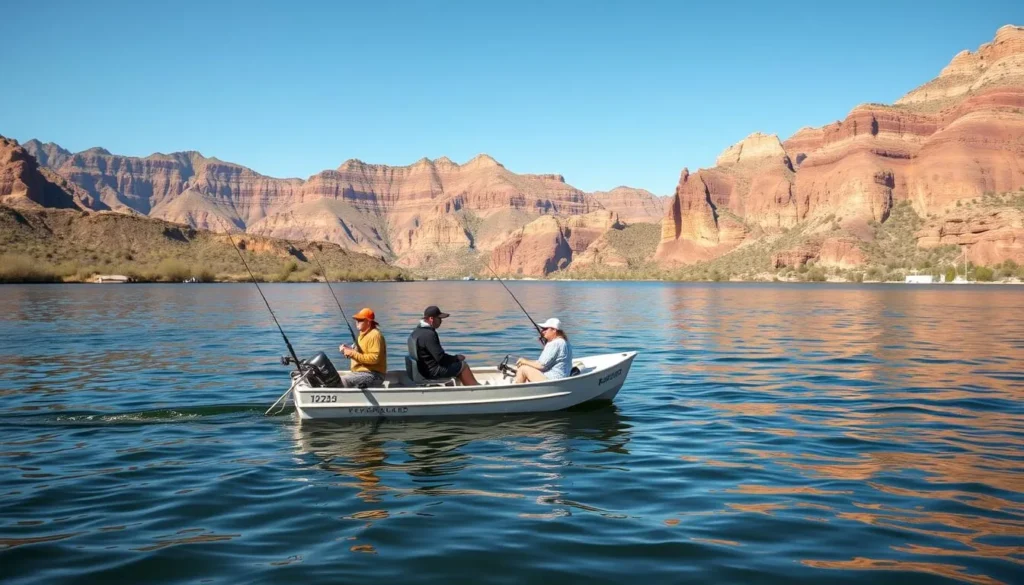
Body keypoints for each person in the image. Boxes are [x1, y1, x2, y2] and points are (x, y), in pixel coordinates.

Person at [407, 305, 479, 386]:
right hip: (432, 371)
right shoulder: (429, 334)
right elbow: (441, 359)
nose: (441, 321)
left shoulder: (417, 331)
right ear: (431, 319)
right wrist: (456, 358)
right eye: (439, 318)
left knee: (456, 365)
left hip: (423, 370)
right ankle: (475, 389)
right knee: (463, 366)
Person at [338, 307, 387, 388]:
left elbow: (374, 358)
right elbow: (360, 353)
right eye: (356, 320)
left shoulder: (375, 335)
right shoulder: (362, 336)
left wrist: (352, 353)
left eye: (360, 320)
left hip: (374, 375)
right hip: (360, 373)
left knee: (343, 381)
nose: (357, 322)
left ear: (368, 322)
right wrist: (348, 350)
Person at [514, 318, 573, 384]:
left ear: (554, 330)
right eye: (542, 329)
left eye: (545, 329)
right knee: (526, 366)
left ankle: (515, 390)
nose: (542, 331)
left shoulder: (555, 343)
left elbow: (541, 366)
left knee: (523, 369)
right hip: (562, 376)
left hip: (553, 378)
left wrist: (524, 361)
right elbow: (544, 363)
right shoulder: (564, 341)